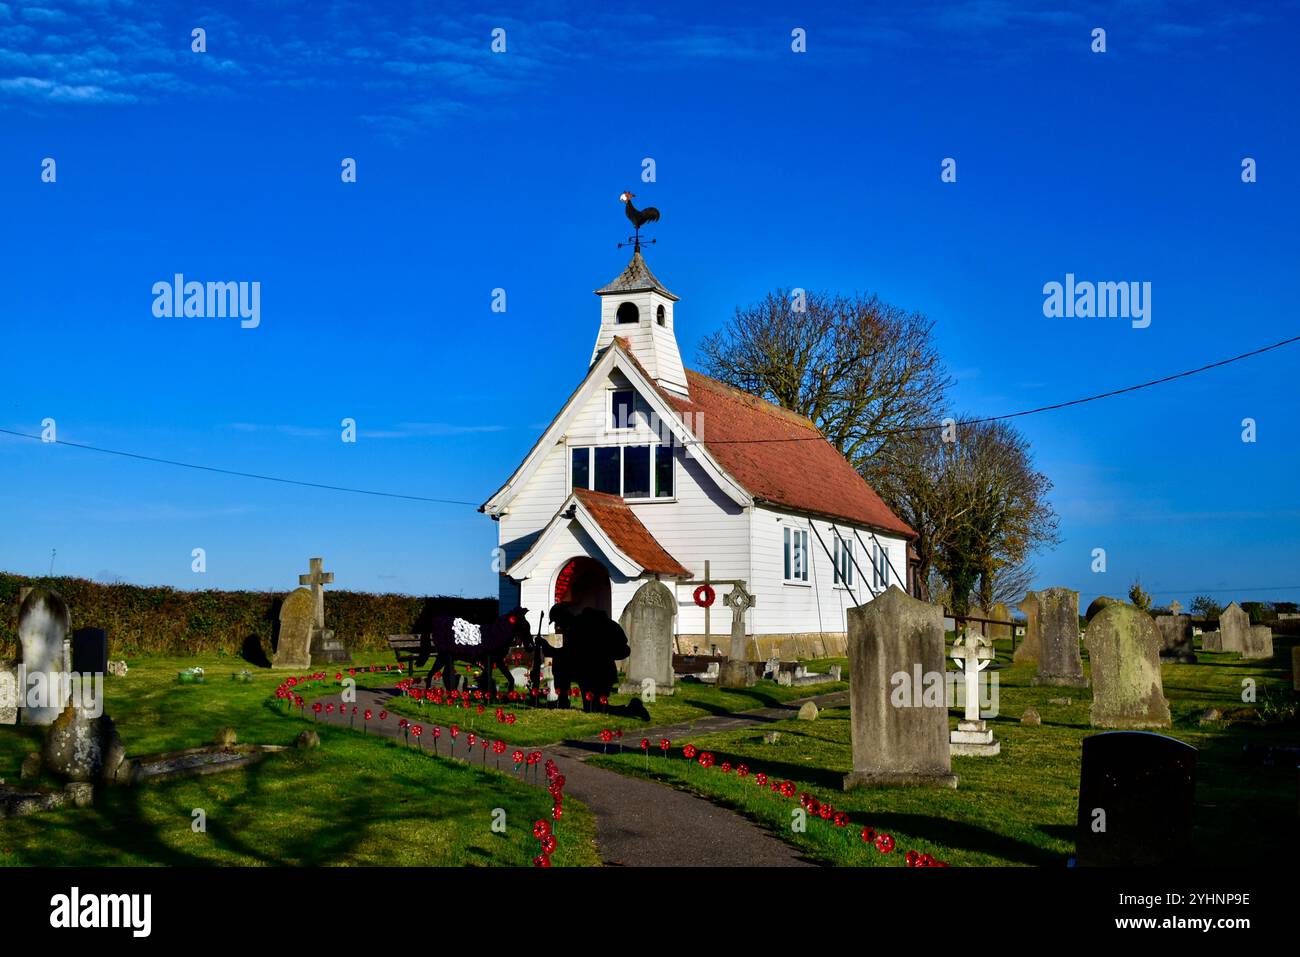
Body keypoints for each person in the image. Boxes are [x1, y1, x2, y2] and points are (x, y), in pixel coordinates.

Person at [543, 602, 630, 711]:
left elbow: (569, 654)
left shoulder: (578, 628)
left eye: (557, 622)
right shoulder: (577, 625)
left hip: (598, 673)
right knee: (595, 708)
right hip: (594, 672)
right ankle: (563, 700)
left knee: (595, 708)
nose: (558, 626)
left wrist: (549, 649)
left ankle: (631, 709)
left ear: (563, 617)